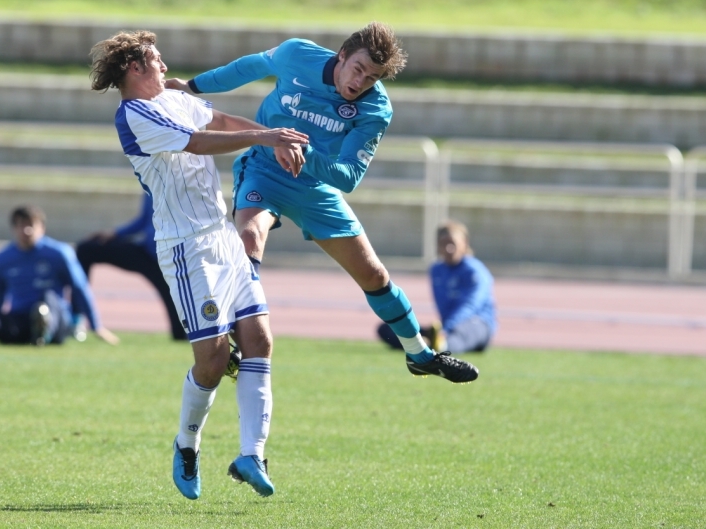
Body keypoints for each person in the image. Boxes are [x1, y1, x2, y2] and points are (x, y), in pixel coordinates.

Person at [166, 22, 479, 383]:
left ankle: (420, 355)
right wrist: (191, 86)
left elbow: (348, 177)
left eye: (372, 78)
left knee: (374, 275)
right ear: (342, 55)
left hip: (315, 186)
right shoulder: (296, 54)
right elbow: (249, 67)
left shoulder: (376, 108)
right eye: (358, 69)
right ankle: (230, 336)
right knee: (249, 236)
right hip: (264, 171)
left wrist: (302, 150)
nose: (360, 82)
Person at [91, 30, 310, 500]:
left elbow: (220, 121)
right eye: (157, 59)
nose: (165, 66)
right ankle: (187, 444)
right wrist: (266, 135)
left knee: (259, 340)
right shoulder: (133, 115)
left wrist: (268, 140)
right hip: (186, 248)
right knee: (211, 362)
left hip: (223, 236)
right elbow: (195, 142)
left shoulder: (174, 97)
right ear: (135, 68)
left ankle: (252, 455)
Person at [0, 206, 119, 346]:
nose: (26, 230)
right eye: (21, 225)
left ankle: (44, 330)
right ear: (14, 229)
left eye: (31, 225)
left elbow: (79, 288)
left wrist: (96, 326)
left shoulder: (59, 254)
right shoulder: (3, 258)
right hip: (20, 320)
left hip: (56, 319)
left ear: (42, 228)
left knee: (47, 300)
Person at [76, 192, 187, 341]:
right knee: (87, 249)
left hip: (171, 260)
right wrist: (115, 233)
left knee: (181, 333)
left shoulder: (183, 185)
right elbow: (144, 221)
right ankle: (76, 318)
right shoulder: (150, 184)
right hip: (147, 253)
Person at [378, 221, 496, 354]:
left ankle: (437, 345)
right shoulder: (436, 270)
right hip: (445, 326)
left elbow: (470, 305)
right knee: (388, 328)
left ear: (464, 243)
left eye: (452, 243)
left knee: (460, 334)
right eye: (443, 244)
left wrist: (447, 327)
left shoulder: (475, 271)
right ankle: (428, 343)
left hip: (476, 324)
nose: (448, 249)